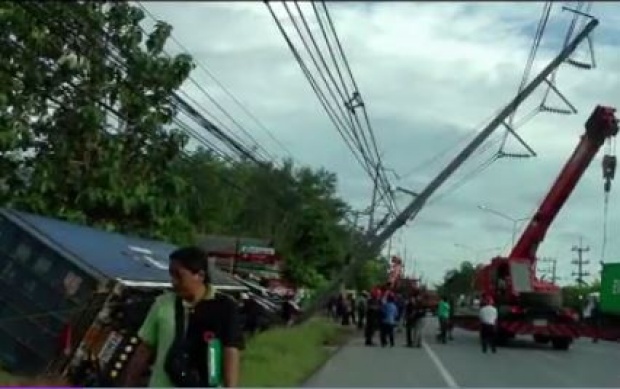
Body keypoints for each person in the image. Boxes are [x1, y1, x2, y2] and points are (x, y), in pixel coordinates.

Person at [123, 246, 244, 387]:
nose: (173, 282)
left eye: (179, 276)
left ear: (200, 275)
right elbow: (144, 349)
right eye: (171, 275)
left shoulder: (225, 307)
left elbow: (230, 352)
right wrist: (128, 383)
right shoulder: (163, 304)